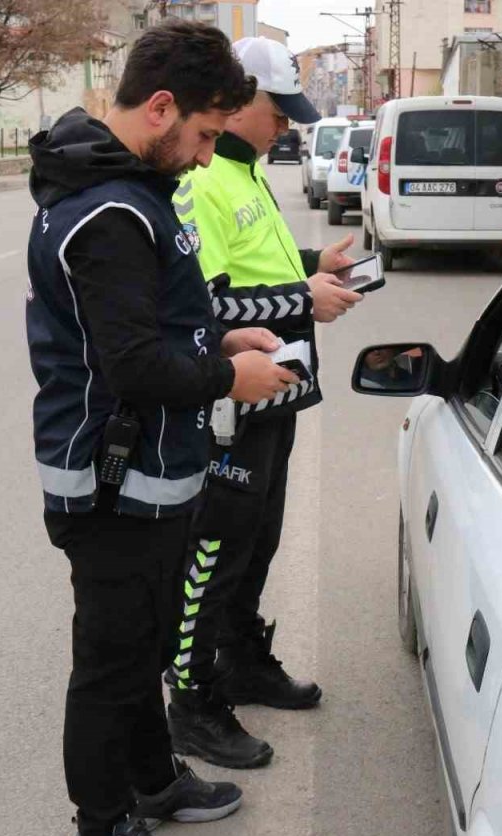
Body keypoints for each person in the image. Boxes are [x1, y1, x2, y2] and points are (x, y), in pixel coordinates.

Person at [25, 21, 297, 836]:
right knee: (112, 664)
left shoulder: (131, 193)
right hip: (111, 484)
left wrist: (217, 341)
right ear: (161, 108)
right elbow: (134, 365)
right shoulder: (106, 212)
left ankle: (152, 777)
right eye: (207, 134)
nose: (210, 155)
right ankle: (103, 830)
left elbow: (149, 329)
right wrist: (227, 379)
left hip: (148, 473)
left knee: (144, 643)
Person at [165, 35, 364, 770]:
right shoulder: (204, 177)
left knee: (259, 541)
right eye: (275, 110)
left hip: (277, 393)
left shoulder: (248, 172)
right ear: (236, 99)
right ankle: (190, 700)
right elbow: (207, 305)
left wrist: (317, 265)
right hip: (232, 399)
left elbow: (264, 266)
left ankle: (242, 658)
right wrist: (302, 295)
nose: (285, 125)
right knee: (215, 548)